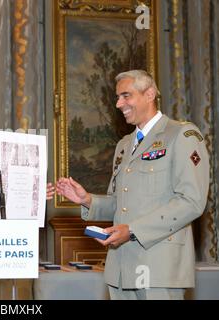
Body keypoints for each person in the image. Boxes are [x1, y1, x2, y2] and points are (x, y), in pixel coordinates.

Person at [55, 70, 209, 300]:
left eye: (126, 96)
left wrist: (133, 230)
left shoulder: (182, 135)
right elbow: (121, 202)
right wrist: (87, 200)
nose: (119, 104)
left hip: (159, 268)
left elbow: (191, 202)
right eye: (117, 97)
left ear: (149, 94)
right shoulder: (125, 144)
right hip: (121, 267)